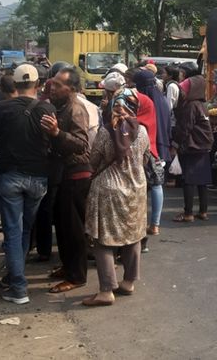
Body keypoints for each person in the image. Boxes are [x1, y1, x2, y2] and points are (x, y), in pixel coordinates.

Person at [0, 64, 56, 305]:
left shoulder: (2, 108)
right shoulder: (47, 107)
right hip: (39, 178)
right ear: (38, 84)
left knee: (13, 232)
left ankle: (18, 287)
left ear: (14, 83)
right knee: (23, 230)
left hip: (11, 176)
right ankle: (15, 278)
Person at [83, 84, 150, 306]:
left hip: (108, 191)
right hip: (136, 190)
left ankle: (105, 291)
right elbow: (145, 159)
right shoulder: (142, 131)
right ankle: (129, 282)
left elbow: (93, 162)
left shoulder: (105, 132)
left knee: (104, 239)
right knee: (133, 236)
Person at [43, 67, 91, 294]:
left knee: (73, 229)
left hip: (76, 174)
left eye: (58, 85)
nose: (52, 87)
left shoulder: (76, 108)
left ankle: (77, 276)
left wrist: (56, 134)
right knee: (61, 226)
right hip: (61, 173)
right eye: (52, 83)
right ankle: (68, 266)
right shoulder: (59, 106)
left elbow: (81, 144)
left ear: (70, 89)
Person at [171, 64, 214, 222]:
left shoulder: (190, 106)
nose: (182, 91)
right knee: (202, 180)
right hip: (204, 146)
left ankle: (188, 213)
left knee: (188, 180)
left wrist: (175, 145)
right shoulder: (202, 105)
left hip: (192, 146)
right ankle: (203, 211)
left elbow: (184, 128)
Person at [134, 69, 172, 235]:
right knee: (157, 184)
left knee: (139, 185)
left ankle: (139, 223)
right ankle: (155, 223)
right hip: (161, 146)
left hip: (146, 147)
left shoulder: (143, 101)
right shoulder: (162, 99)